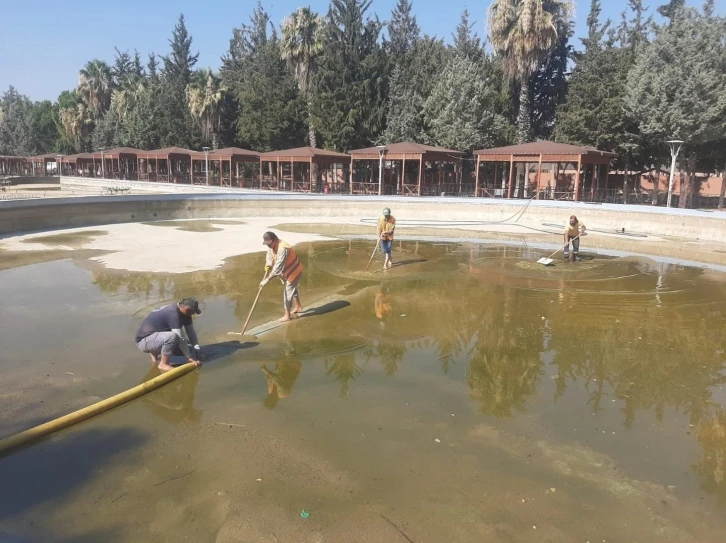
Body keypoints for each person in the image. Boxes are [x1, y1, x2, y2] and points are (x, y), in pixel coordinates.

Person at [135, 298, 203, 372]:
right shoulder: (173, 314)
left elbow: (191, 333)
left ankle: (155, 353)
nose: (193, 314)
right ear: (186, 309)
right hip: (143, 341)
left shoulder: (185, 313)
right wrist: (189, 357)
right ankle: (163, 364)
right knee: (172, 337)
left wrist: (198, 352)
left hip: (156, 338)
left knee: (189, 347)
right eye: (193, 312)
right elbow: (180, 338)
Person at [260, 231, 304, 322]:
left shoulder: (283, 248)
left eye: (269, 243)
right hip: (287, 272)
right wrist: (268, 264)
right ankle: (298, 306)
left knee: (287, 293)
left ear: (275, 239)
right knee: (292, 289)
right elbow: (269, 255)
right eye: (267, 244)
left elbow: (277, 268)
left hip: (294, 271)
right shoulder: (272, 245)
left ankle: (287, 315)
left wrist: (267, 280)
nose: (268, 246)